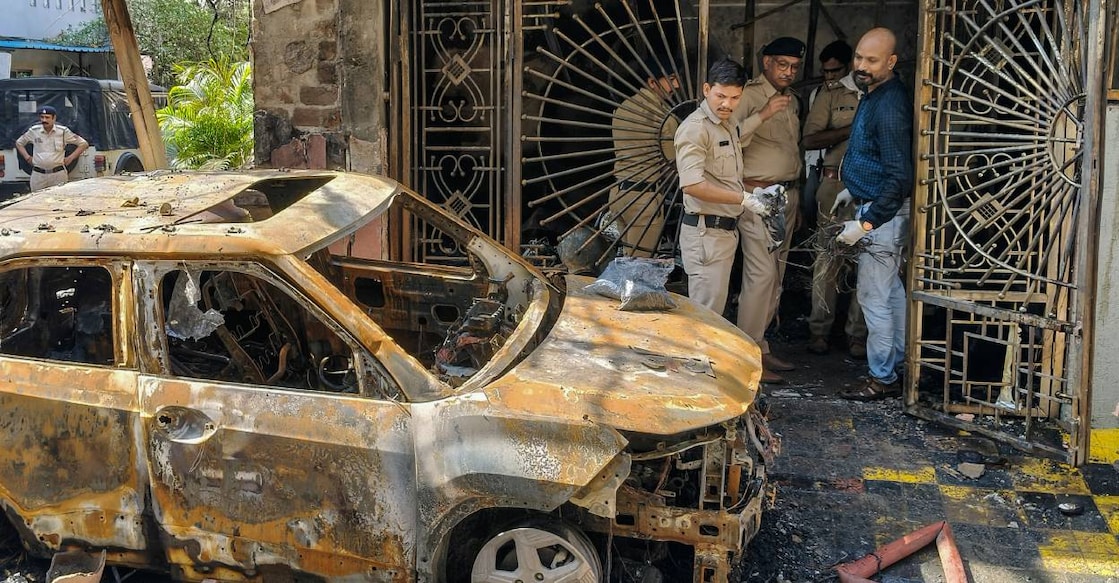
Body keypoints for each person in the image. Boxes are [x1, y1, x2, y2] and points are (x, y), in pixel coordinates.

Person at [673, 57, 778, 380]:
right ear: (706, 90)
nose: (726, 104)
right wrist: (743, 199)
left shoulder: (727, 124)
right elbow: (692, 184)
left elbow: (725, 177)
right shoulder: (694, 129)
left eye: (734, 98)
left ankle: (705, 389)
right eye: (720, 96)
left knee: (712, 319)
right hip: (706, 234)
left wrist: (753, 194)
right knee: (703, 323)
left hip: (723, 234)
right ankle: (693, 395)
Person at [834, 27, 913, 400]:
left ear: (891, 62)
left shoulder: (890, 105)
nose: (861, 66)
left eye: (872, 60)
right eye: (859, 57)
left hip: (883, 214)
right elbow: (878, 161)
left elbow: (899, 176)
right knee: (891, 292)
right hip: (876, 205)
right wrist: (853, 187)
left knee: (873, 297)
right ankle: (895, 367)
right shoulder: (874, 93)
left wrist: (866, 223)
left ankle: (881, 377)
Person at [729, 36, 806, 382]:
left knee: (776, 275)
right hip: (757, 195)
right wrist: (762, 114)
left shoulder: (792, 100)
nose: (789, 72)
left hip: (786, 195)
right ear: (766, 62)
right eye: (782, 65)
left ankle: (760, 346)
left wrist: (797, 197)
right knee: (760, 275)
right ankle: (746, 355)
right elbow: (730, 136)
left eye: (794, 67)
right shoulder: (748, 95)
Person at [802, 40, 868, 358]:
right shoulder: (829, 96)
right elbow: (809, 139)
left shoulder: (882, 94)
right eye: (825, 71)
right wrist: (850, 131)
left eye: (836, 70)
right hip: (833, 185)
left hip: (870, 189)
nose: (830, 77)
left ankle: (857, 334)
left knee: (869, 263)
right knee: (827, 260)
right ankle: (819, 331)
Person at [609, 56, 681, 257]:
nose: (677, 85)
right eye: (672, 79)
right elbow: (672, 164)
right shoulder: (663, 117)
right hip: (644, 200)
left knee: (627, 261)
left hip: (618, 195)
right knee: (640, 267)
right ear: (652, 82)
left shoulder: (622, 108)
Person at [15, 105, 89, 192]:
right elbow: (19, 143)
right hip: (38, 175)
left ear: (54, 118)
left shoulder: (63, 131)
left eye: (47, 117)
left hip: (58, 175)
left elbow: (83, 144)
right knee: (37, 202)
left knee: (59, 201)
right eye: (42, 117)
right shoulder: (34, 131)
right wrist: (27, 157)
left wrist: (71, 158)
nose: (44, 120)